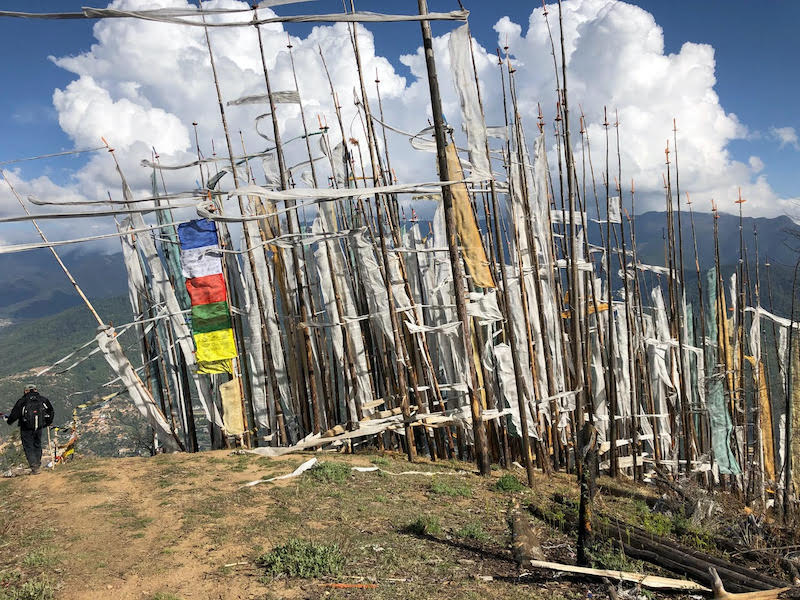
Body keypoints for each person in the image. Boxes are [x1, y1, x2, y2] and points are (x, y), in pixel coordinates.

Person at [5, 384, 54, 474]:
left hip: (26, 427)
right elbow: (50, 411)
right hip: (39, 426)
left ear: (25, 391)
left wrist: (9, 421)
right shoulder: (43, 400)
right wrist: (48, 422)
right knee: (37, 444)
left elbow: (14, 414)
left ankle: (34, 467)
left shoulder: (22, 401)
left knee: (28, 446)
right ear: (35, 390)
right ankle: (37, 465)